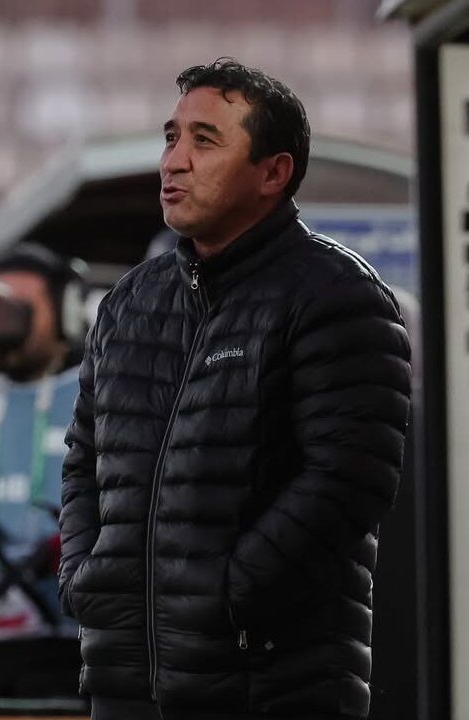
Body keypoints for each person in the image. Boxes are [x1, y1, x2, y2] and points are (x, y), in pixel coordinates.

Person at [57, 59, 412, 720]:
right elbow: (83, 463)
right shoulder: (129, 303)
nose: (174, 161)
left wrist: (227, 594)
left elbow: (347, 483)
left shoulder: (338, 296)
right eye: (172, 137)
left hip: (271, 686)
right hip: (125, 684)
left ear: (273, 173)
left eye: (205, 140)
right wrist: (87, 579)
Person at [0, 243, 89, 694]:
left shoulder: (98, 404)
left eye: (19, 308)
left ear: (66, 313)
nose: (3, 322)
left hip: (78, 660)